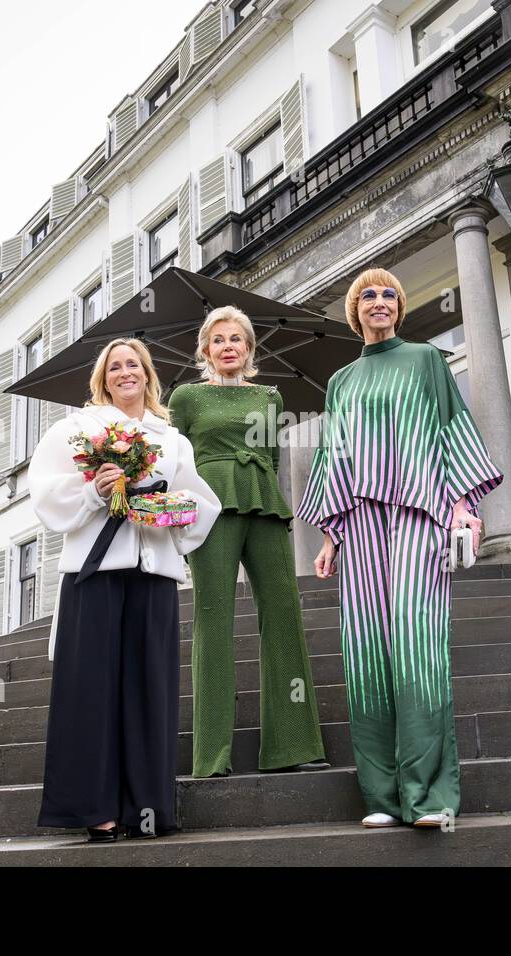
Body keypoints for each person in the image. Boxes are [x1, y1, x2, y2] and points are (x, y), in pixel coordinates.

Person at [295, 267, 503, 829]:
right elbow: (334, 455)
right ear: (354, 310)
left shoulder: (427, 361)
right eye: (368, 295)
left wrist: (464, 506)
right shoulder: (341, 382)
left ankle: (430, 796)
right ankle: (383, 798)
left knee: (417, 649)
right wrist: (330, 535)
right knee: (366, 655)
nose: (379, 301)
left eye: (389, 293)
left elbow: (452, 428)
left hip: (420, 516)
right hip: (360, 522)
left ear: (401, 306)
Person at [29, 337, 221, 842]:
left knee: (150, 689)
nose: (125, 372)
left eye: (133, 364)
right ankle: (95, 810)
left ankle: (146, 808)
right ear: (102, 378)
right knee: (89, 689)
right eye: (114, 366)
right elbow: (44, 492)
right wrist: (95, 490)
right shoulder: (75, 429)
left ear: (148, 374)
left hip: (154, 570)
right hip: (94, 572)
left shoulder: (171, 439)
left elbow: (202, 503)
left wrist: (167, 507)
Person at [168, 306, 328, 778]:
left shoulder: (271, 397)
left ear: (250, 349)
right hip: (211, 505)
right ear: (205, 350)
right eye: (218, 340)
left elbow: (272, 455)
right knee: (213, 617)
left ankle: (292, 746)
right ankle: (212, 757)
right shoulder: (187, 398)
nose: (228, 346)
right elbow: (174, 460)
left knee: (282, 611)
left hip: (262, 499)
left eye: (237, 338)